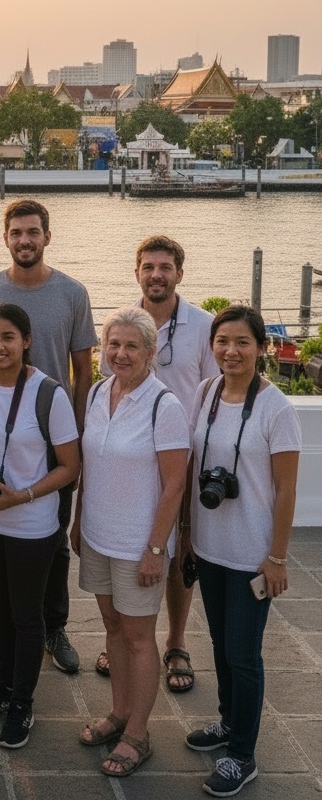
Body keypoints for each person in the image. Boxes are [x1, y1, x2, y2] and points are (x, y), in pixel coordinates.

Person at [0, 199, 97, 674]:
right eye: (17, 232)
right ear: (6, 238)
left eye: (33, 232)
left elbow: (83, 370)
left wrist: (76, 437)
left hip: (51, 434)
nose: (25, 240)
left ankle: (53, 625)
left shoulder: (72, 293)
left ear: (46, 237)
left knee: (54, 541)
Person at [182, 306, 300, 797]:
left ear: (261, 348)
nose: (230, 351)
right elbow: (193, 466)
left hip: (252, 553)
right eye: (222, 341)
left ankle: (242, 755)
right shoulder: (206, 393)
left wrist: (276, 557)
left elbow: (286, 490)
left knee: (243, 654)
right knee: (219, 647)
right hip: (210, 547)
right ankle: (229, 724)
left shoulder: (277, 409)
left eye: (242, 343)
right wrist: (187, 532)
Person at [71, 307, 189, 777]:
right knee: (113, 627)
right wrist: (79, 521)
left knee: (140, 637)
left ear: (150, 352)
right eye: (113, 345)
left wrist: (156, 549)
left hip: (139, 543)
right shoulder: (99, 392)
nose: (120, 354)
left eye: (131, 346)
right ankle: (118, 713)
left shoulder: (166, 406)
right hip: (99, 535)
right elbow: (91, 466)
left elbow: (174, 486)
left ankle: (137, 735)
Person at [95, 235, 216, 689]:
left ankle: (177, 642)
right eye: (148, 267)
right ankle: (128, 639)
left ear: (179, 274)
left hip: (179, 460)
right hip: (127, 460)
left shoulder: (203, 326)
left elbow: (211, 395)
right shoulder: (123, 326)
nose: (156, 275)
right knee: (129, 550)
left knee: (177, 549)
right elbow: (112, 385)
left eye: (165, 267)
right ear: (137, 272)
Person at [0, 304, 80, 749]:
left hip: (32, 523)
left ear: (26, 341)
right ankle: (4, 685)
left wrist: (25, 494)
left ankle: (22, 702)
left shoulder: (49, 394)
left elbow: (70, 466)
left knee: (27, 615)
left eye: (8, 337)